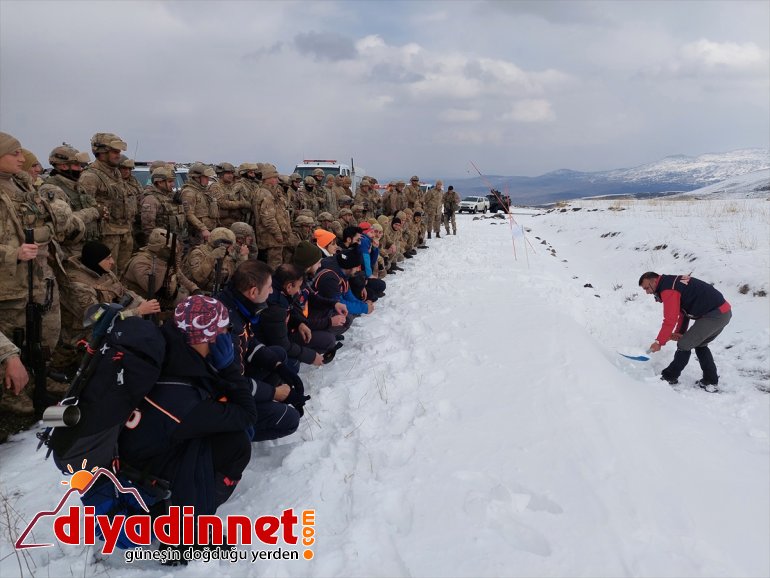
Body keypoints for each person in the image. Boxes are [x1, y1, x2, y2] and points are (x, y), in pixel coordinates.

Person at [117, 295, 256, 518]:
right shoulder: (185, 398)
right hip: (144, 477)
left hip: (146, 447)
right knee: (237, 445)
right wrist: (229, 368)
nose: (227, 336)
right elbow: (247, 414)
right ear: (206, 337)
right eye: (224, 330)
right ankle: (186, 523)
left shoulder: (169, 347)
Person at [216, 260, 307, 435]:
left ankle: (260, 402)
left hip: (234, 378)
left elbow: (249, 341)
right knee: (290, 419)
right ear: (253, 292)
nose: (272, 291)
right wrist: (274, 393)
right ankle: (236, 433)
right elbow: (233, 383)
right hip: (222, 396)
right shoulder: (228, 327)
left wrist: (278, 366)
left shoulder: (235, 304)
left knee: (278, 355)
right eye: (269, 287)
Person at [56, 241, 160, 374]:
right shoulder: (78, 286)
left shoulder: (102, 271)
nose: (112, 262)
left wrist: (143, 303)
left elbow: (123, 291)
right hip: (83, 333)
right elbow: (96, 318)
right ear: (95, 261)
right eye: (107, 258)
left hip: (111, 318)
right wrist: (138, 311)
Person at [639, 272, 732, 390]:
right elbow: (683, 312)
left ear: (654, 281)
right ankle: (710, 380)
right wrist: (680, 332)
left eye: (647, 288)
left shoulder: (669, 289)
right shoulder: (670, 282)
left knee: (684, 344)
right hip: (723, 312)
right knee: (700, 344)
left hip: (714, 315)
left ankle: (670, 376)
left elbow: (670, 320)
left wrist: (659, 342)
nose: (647, 292)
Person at [78, 132, 134, 272]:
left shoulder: (116, 173)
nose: (118, 155)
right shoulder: (90, 176)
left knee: (123, 273)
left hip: (124, 232)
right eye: (115, 151)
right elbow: (85, 210)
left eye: (119, 152)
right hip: (106, 236)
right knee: (107, 274)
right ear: (102, 152)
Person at [181, 162, 219, 247]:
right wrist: (203, 229)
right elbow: (189, 214)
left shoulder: (203, 190)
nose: (208, 179)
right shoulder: (189, 192)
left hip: (209, 230)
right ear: (196, 177)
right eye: (205, 177)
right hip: (198, 234)